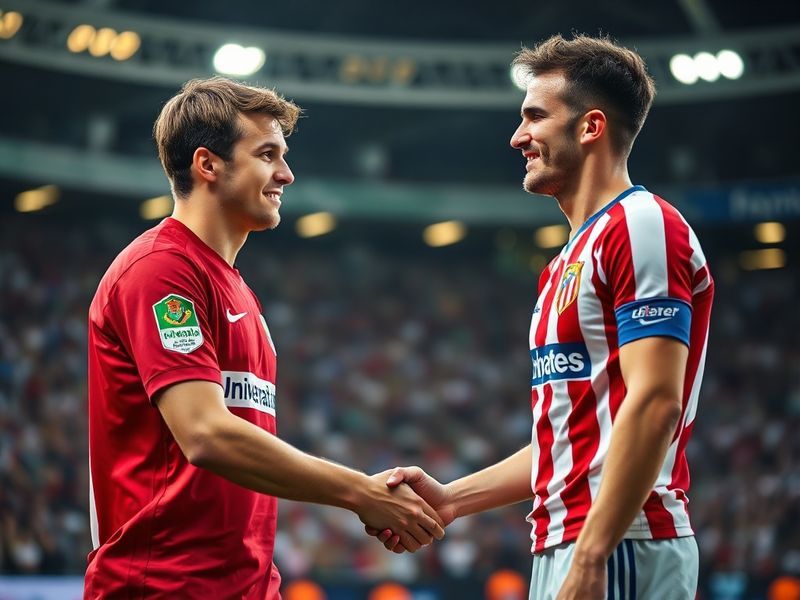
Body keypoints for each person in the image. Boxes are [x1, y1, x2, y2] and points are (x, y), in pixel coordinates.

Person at [370, 34, 714, 600]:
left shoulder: (640, 224)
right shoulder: (562, 264)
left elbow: (656, 403)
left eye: (535, 116)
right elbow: (568, 446)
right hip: (571, 541)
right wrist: (453, 500)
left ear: (591, 127)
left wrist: (593, 554)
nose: (517, 136)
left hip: (620, 540)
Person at [84, 77, 444, 599]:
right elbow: (205, 433)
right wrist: (361, 493)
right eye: (267, 155)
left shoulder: (237, 290)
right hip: (160, 586)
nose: (286, 174)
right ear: (208, 165)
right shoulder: (160, 270)